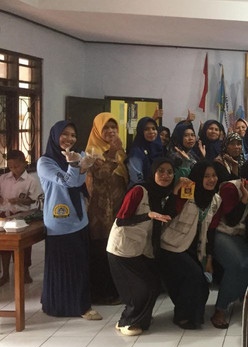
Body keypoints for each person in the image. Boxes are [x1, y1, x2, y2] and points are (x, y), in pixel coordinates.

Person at [37, 120, 102, 320]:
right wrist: (75, 165)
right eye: (64, 134)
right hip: (59, 221)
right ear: (55, 136)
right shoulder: (45, 162)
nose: (69, 139)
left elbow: (78, 183)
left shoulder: (79, 154)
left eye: (73, 135)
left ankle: (81, 305)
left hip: (79, 217)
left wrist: (82, 166)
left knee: (80, 264)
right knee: (60, 266)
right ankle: (57, 304)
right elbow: (67, 182)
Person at [106, 158, 174, 335]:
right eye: (161, 171)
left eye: (169, 172)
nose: (165, 175)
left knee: (152, 283)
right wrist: (147, 215)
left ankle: (139, 319)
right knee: (140, 288)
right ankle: (127, 321)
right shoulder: (139, 190)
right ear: (153, 173)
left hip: (139, 249)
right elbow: (121, 219)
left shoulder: (160, 194)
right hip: (122, 248)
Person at [158, 161, 221, 329]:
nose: (211, 179)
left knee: (200, 284)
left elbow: (211, 231)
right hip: (171, 245)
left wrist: (209, 259)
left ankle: (193, 317)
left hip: (194, 249)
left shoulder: (215, 200)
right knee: (194, 277)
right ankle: (182, 316)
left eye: (214, 175)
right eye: (206, 176)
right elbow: (168, 213)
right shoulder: (187, 193)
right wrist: (175, 191)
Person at [209, 159, 248, 328]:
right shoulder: (231, 187)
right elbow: (232, 220)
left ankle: (244, 297)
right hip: (221, 232)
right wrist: (245, 200)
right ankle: (220, 309)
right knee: (238, 265)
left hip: (239, 235)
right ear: (247, 173)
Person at [85, 113, 128, 305]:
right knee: (101, 252)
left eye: (114, 127)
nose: (111, 131)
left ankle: (115, 290)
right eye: (106, 128)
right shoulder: (92, 152)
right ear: (98, 130)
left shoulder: (120, 151)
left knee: (115, 251)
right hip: (100, 212)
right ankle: (101, 294)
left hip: (117, 209)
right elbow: (101, 176)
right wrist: (112, 151)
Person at [0, 150, 43, 286]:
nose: (14, 170)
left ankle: (25, 271)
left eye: (17, 166)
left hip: (22, 216)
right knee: (4, 246)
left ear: (25, 164)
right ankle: (5, 273)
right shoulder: (3, 178)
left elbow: (33, 199)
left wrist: (19, 200)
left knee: (24, 247)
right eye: (11, 167)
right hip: (5, 215)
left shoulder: (30, 181)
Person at [126, 117, 164, 188]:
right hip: (141, 192)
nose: (151, 131)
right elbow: (137, 180)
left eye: (154, 128)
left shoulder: (158, 148)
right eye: (146, 129)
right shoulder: (136, 152)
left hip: (158, 190)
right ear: (140, 132)